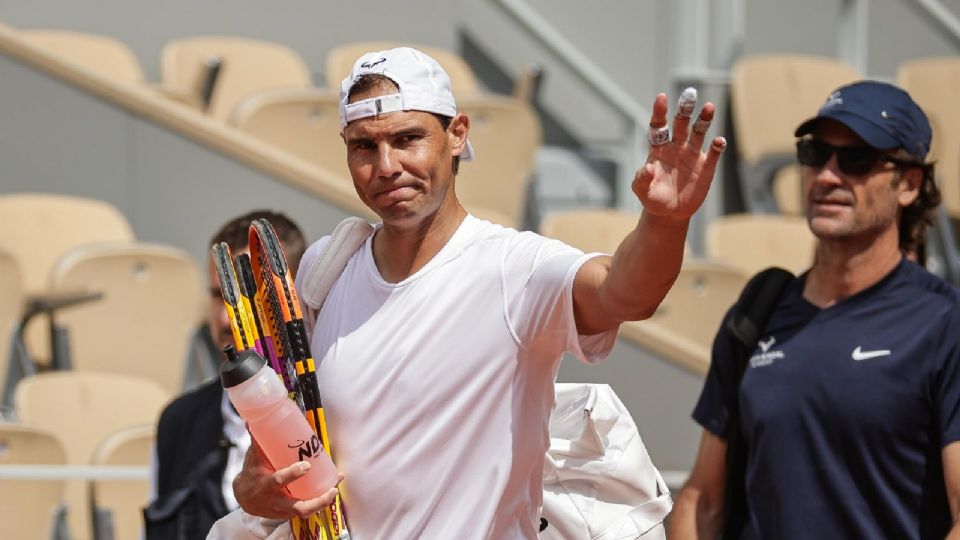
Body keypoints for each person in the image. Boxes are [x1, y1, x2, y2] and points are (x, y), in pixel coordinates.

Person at [212, 46, 726, 539]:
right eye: (364, 146)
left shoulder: (514, 268)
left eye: (407, 138)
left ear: (457, 135)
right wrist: (254, 490)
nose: (386, 165)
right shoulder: (328, 270)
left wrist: (664, 221)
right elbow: (288, 457)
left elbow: (624, 294)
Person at [669, 80, 960, 539]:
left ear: (909, 183)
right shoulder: (757, 313)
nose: (826, 176)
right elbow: (702, 499)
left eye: (856, 160)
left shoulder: (945, 324)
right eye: (814, 153)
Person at [145, 210, 306, 539]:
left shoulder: (330, 410)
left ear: (292, 294)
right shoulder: (178, 421)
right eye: (218, 296)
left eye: (243, 301)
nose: (224, 320)